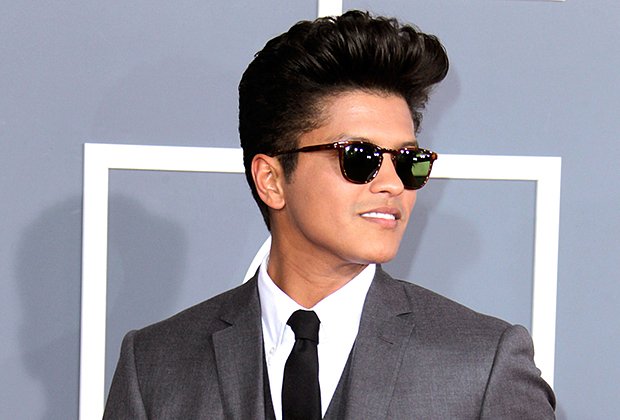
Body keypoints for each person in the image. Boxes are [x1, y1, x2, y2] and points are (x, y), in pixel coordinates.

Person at [104, 10, 556, 419]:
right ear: (272, 180)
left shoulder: (482, 363)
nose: (392, 183)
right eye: (359, 157)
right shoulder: (155, 365)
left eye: (407, 161)